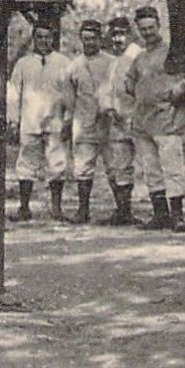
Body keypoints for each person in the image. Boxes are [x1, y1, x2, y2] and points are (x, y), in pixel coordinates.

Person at [116, 6, 185, 232]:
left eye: (151, 27)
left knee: (173, 169)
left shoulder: (174, 51)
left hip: (167, 120)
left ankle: (177, 216)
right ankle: (160, 214)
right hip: (143, 122)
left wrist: (178, 90)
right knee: (151, 170)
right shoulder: (139, 57)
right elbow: (129, 81)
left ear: (159, 25)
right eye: (143, 29)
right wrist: (139, 92)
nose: (148, 32)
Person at [8, 21, 73, 222]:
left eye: (47, 37)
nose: (44, 41)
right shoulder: (23, 64)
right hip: (30, 121)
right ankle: (24, 207)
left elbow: (70, 95)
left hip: (55, 122)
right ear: (33, 39)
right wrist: (13, 120)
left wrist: (68, 120)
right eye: (39, 37)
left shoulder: (64, 63)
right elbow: (14, 94)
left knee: (57, 164)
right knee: (27, 164)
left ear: (53, 39)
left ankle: (56, 208)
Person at [64, 20, 115, 225]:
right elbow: (69, 99)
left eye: (93, 38)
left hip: (109, 123)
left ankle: (123, 209)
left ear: (100, 38)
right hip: (83, 121)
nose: (90, 43)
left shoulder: (112, 62)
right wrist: (68, 121)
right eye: (85, 39)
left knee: (116, 165)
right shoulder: (73, 66)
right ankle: (83, 210)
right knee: (83, 166)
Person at [95, 16, 140, 225]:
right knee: (120, 165)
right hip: (118, 120)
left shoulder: (138, 56)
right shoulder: (113, 62)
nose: (118, 39)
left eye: (122, 34)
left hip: (140, 119)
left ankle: (165, 213)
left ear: (130, 35)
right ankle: (124, 211)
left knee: (152, 164)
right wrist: (109, 109)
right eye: (114, 34)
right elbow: (105, 90)